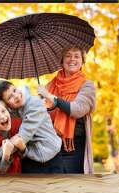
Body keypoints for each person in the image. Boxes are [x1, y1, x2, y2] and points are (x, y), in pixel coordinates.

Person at [0, 81, 64, 174]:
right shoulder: (8, 111)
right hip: (28, 158)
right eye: (10, 97)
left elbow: (21, 138)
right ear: (5, 105)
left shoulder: (35, 104)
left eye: (14, 90)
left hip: (50, 157)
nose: (16, 96)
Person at [37, 46, 96, 174]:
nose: (72, 59)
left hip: (73, 145)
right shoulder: (50, 85)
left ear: (82, 61)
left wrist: (49, 96)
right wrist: (40, 105)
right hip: (51, 143)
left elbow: (77, 109)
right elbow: (43, 114)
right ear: (62, 60)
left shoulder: (87, 85)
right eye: (68, 55)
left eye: (76, 56)